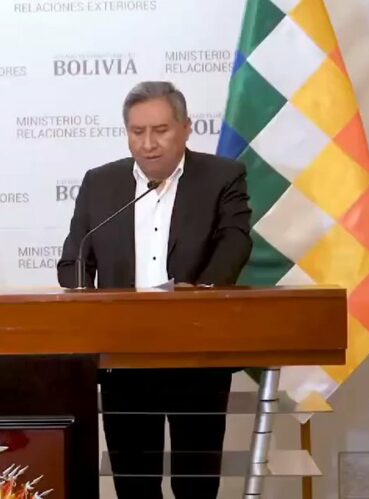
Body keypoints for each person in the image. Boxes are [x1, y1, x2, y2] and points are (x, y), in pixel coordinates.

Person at [56, 81, 251, 498]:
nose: (148, 144)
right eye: (137, 132)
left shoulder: (222, 177)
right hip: (123, 357)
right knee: (134, 485)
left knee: (196, 484)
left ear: (185, 128)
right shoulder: (100, 183)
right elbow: (74, 260)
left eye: (160, 130)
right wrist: (84, 303)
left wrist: (199, 292)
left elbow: (235, 242)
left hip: (197, 352)